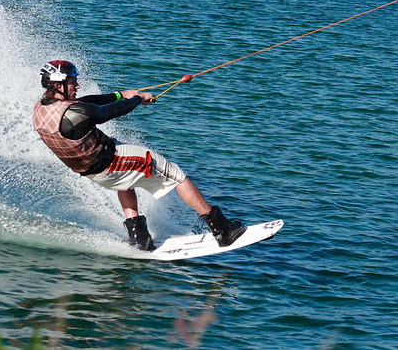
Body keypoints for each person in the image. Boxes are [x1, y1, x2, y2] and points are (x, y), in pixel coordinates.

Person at [32, 60, 245, 251]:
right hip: (111, 161)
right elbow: (105, 112)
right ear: (58, 85)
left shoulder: (41, 109)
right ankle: (222, 230)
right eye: (72, 81)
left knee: (125, 181)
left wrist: (121, 94)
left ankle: (139, 238)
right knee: (176, 175)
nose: (77, 85)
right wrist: (137, 99)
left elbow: (90, 102)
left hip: (93, 172)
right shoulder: (78, 112)